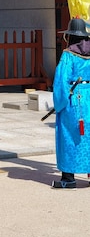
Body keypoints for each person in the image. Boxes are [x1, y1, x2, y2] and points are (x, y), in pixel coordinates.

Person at [52, 17, 90, 189]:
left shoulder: (68, 54)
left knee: (68, 136)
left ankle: (68, 178)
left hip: (74, 99)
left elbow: (61, 80)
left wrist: (59, 104)